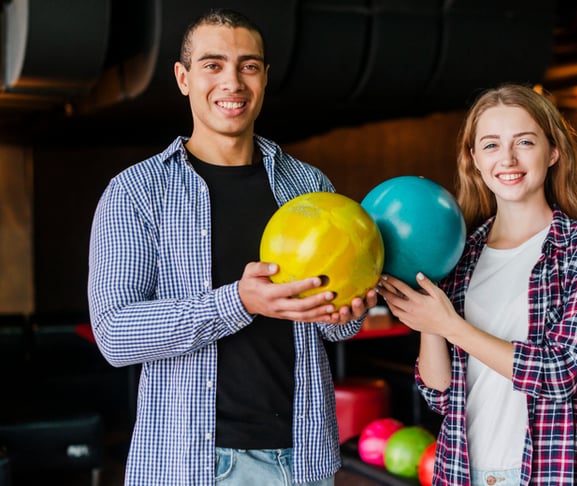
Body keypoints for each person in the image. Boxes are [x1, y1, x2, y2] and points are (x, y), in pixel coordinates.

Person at [87, 8, 377, 486]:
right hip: (190, 463)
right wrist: (238, 301)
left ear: (264, 77)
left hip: (303, 459)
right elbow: (115, 335)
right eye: (213, 65)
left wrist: (346, 313)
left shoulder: (309, 187)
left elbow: (336, 330)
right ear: (183, 78)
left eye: (248, 65)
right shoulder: (136, 192)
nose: (233, 82)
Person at [377, 84, 577, 485]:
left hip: (549, 473)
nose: (507, 158)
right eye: (490, 145)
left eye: (524, 142)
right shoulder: (461, 253)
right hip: (461, 470)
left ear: (553, 150)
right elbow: (439, 394)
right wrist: (427, 321)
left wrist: (450, 325)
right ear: (474, 159)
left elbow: (564, 373)